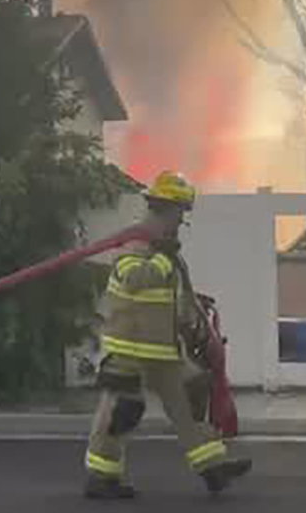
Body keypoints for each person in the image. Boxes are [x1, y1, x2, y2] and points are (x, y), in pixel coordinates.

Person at [83, 170, 251, 499]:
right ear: (165, 209)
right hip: (129, 350)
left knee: (191, 400)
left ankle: (212, 469)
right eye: (179, 215)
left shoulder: (162, 248)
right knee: (121, 415)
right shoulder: (136, 242)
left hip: (160, 351)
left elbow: (166, 298)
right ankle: (101, 478)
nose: (180, 223)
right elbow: (133, 279)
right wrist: (162, 260)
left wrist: (192, 315)